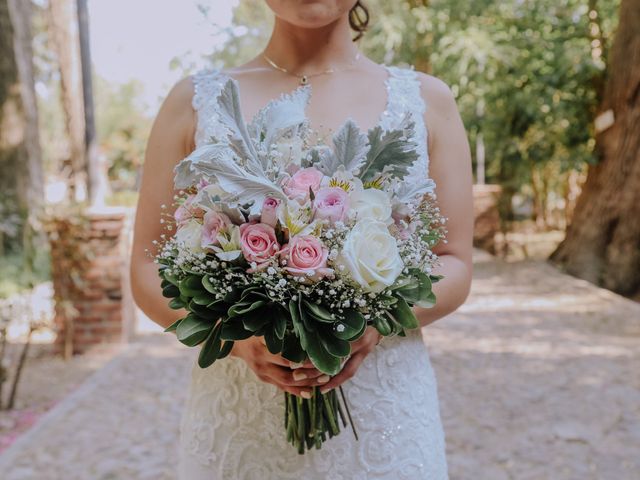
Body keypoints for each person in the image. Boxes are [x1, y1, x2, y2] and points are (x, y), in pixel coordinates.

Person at [130, 1, 473, 478]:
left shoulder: (428, 101)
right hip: (240, 420)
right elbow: (147, 267)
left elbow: (454, 262)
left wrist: (372, 326)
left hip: (382, 413)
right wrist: (236, 341)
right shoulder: (191, 101)